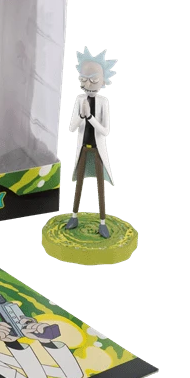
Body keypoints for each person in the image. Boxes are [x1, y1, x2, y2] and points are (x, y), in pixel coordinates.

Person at [67, 48, 116, 238]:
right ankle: (74, 216)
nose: (88, 84)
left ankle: (102, 222)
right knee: (78, 184)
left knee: (100, 187)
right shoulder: (80, 100)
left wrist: (90, 117)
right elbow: (72, 128)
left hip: (97, 151)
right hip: (83, 150)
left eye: (94, 80)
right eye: (84, 79)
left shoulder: (103, 102)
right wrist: (81, 115)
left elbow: (105, 131)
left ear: (103, 81)